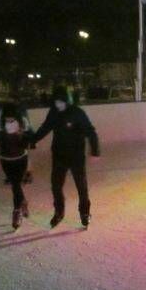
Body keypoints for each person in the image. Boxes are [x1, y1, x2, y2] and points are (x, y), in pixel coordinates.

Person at [31, 85, 100, 228]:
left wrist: (95, 151)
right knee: (56, 186)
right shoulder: (54, 112)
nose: (58, 105)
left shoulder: (77, 113)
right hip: (59, 155)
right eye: (56, 102)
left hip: (76, 156)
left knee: (81, 186)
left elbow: (90, 131)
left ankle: (85, 213)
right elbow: (45, 127)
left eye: (61, 102)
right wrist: (33, 139)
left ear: (67, 101)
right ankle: (59, 212)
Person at [0, 102, 32, 229]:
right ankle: (23, 202)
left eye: (12, 118)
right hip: (5, 159)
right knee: (15, 185)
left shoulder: (22, 121)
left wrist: (28, 140)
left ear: (16, 116)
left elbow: (30, 134)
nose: (9, 120)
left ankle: (16, 212)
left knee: (15, 184)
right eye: (7, 118)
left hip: (21, 158)